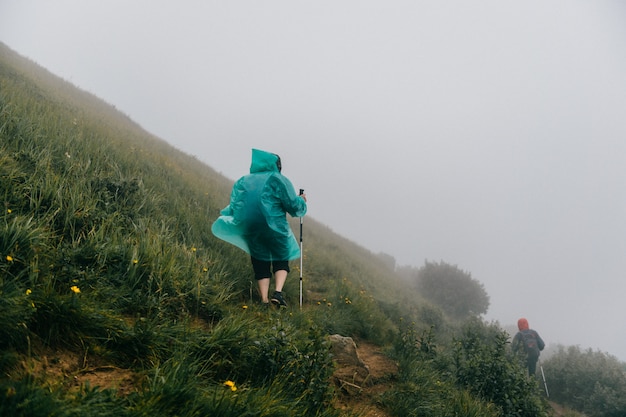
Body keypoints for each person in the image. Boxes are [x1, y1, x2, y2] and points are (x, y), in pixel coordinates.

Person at [211, 149, 307, 308]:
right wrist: (302, 201)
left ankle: (263, 300)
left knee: (260, 260)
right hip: (274, 227)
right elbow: (293, 206)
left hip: (251, 227)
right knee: (281, 256)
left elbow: (236, 205)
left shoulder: (243, 181)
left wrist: (228, 215)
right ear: (277, 165)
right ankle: (277, 293)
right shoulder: (278, 179)